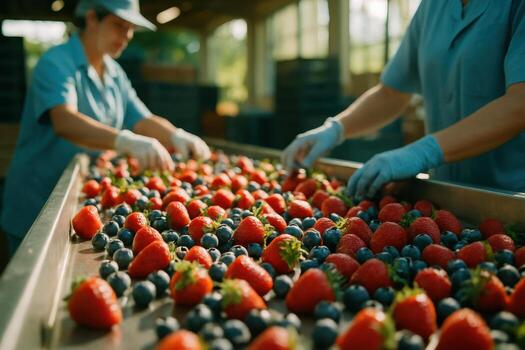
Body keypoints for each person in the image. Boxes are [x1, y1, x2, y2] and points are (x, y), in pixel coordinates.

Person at [1, 0, 210, 254]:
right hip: (37, 200)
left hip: (79, 199)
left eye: (130, 27)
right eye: (119, 25)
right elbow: (64, 120)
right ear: (91, 18)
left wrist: (175, 135)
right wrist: (125, 141)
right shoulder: (56, 63)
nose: (127, 35)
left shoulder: (114, 73)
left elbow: (142, 118)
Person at [283, 0, 525, 200]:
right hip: (446, 195)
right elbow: (392, 93)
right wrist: (336, 128)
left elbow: (520, 104)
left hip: (512, 197)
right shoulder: (434, 6)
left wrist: (424, 152)